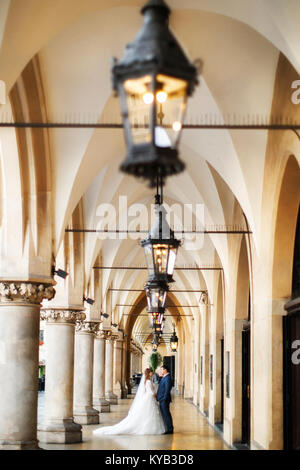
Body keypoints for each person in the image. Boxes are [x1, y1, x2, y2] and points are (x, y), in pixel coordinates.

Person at [93, 367, 165, 436]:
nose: (152, 374)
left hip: (147, 398)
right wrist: (156, 396)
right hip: (149, 398)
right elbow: (150, 392)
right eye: (151, 373)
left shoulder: (146, 381)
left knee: (147, 414)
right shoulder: (148, 381)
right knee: (149, 413)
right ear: (149, 373)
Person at [156, 364, 174, 434]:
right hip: (162, 399)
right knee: (164, 414)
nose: (161, 371)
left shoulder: (168, 378)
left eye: (162, 369)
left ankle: (170, 429)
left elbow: (167, 389)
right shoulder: (164, 377)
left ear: (165, 370)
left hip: (164, 400)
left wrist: (164, 398)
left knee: (166, 414)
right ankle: (167, 428)